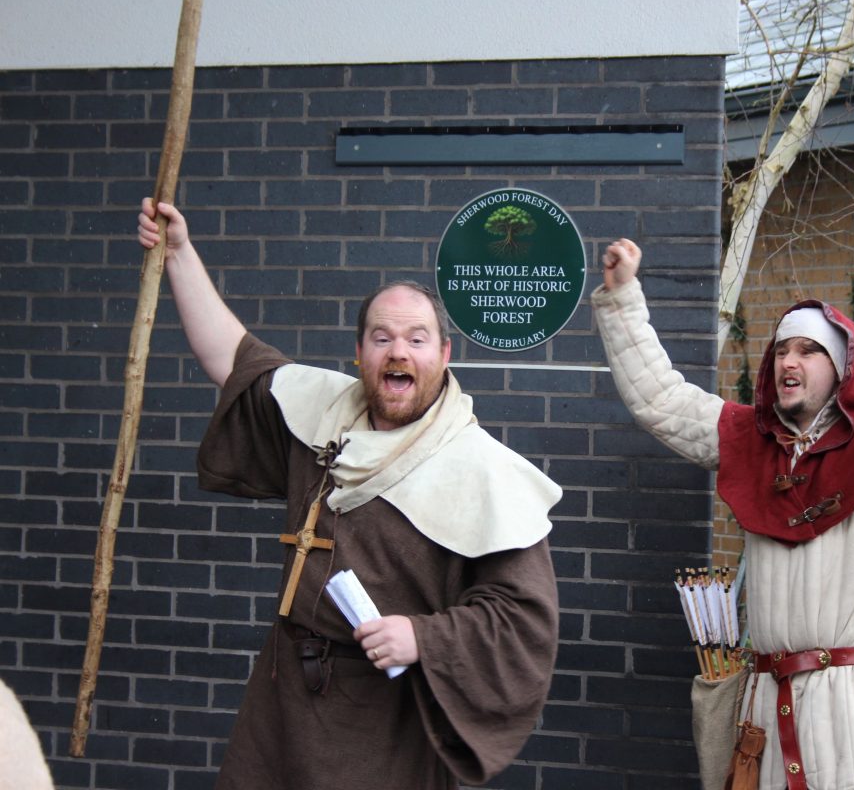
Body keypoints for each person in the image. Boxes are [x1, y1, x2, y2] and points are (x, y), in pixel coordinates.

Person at [137, 199, 560, 789]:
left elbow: (522, 622)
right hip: (282, 698)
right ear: (360, 352)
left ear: (443, 355)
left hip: (382, 725)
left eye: (417, 339)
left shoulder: (482, 470)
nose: (398, 351)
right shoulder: (322, 413)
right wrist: (179, 253)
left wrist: (423, 636)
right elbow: (232, 359)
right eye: (381, 337)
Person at [592, 238, 854, 790]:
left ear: (841, 366)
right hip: (767, 722)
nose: (789, 360)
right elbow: (660, 401)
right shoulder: (749, 443)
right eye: (783, 350)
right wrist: (622, 299)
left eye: (809, 351)